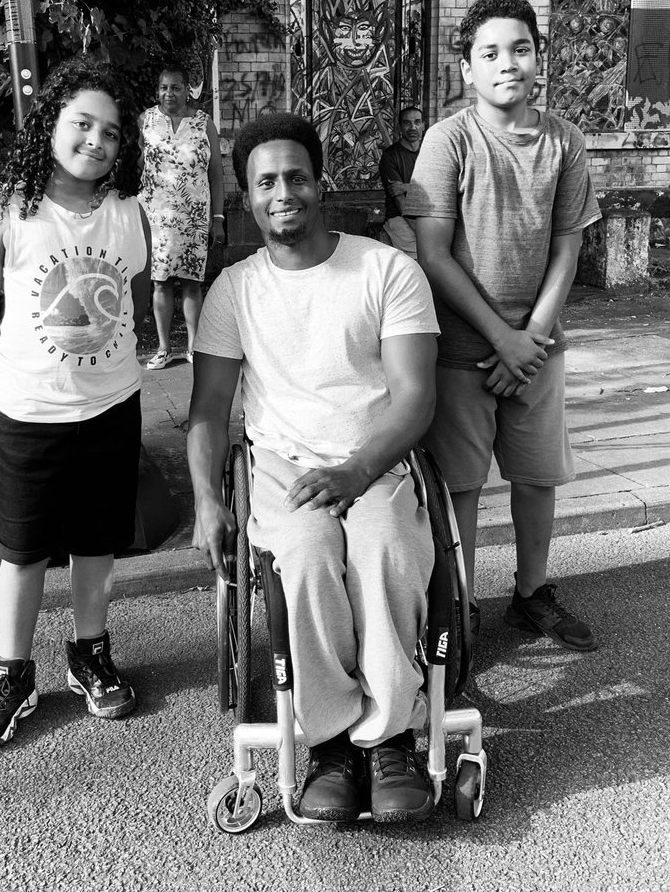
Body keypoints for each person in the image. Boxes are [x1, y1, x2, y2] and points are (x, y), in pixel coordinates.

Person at [187, 112, 440, 824]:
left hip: (376, 454)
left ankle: (388, 735)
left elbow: (415, 397)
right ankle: (330, 741)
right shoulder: (235, 290)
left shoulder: (386, 269)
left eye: (295, 175)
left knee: (384, 545)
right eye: (264, 181)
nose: (282, 191)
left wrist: (358, 471)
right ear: (245, 196)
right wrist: (208, 503)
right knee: (302, 553)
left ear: (320, 182)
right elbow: (208, 411)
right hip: (282, 462)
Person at [0, 54, 151, 752]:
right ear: (50, 124)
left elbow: (133, 299)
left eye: (111, 133)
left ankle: (89, 652)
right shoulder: (7, 210)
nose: (96, 142)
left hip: (111, 407)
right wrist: (15, 373)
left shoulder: (129, 214)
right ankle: (12, 673)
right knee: (25, 548)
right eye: (82, 124)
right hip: (28, 414)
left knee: (97, 539)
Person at [407, 0, 601, 652]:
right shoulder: (448, 141)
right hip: (463, 351)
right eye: (488, 53)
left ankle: (530, 593)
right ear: (466, 68)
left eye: (519, 48)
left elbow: (567, 246)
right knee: (460, 484)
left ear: (537, 58)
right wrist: (501, 338)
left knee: (535, 475)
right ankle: (459, 604)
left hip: (537, 350)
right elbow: (432, 251)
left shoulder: (563, 141)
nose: (506, 63)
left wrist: (533, 339)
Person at [139, 62, 225, 369]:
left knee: (191, 282)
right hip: (155, 217)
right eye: (163, 87)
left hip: (195, 216)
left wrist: (218, 218)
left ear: (187, 91)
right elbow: (136, 167)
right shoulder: (146, 121)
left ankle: (193, 347)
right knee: (159, 282)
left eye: (175, 87)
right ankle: (163, 348)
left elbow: (216, 175)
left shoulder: (204, 124)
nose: (168, 93)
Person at [378, 105, 425, 257]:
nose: (413, 127)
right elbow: (401, 203)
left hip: (428, 214)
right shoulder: (390, 156)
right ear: (399, 128)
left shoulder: (429, 152)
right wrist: (423, 233)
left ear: (423, 126)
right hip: (400, 217)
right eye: (407, 123)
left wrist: (407, 186)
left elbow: (442, 187)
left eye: (417, 122)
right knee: (420, 254)